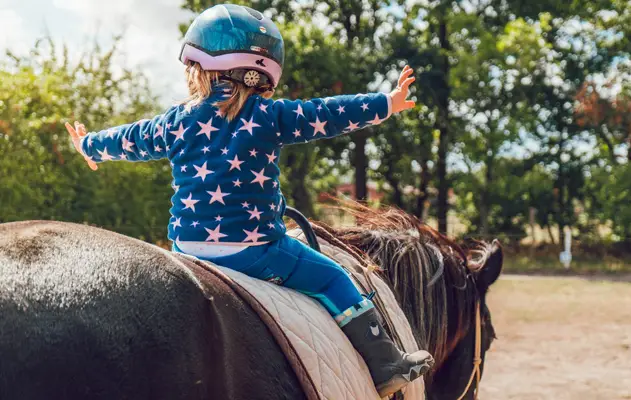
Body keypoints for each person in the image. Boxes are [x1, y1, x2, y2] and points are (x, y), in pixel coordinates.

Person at [66, 4, 433, 396]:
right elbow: (327, 112)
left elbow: (133, 139)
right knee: (332, 277)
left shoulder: (175, 120)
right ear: (263, 74)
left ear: (196, 67)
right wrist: (386, 104)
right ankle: (385, 363)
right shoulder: (269, 116)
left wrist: (90, 146)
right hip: (255, 251)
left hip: (187, 250)